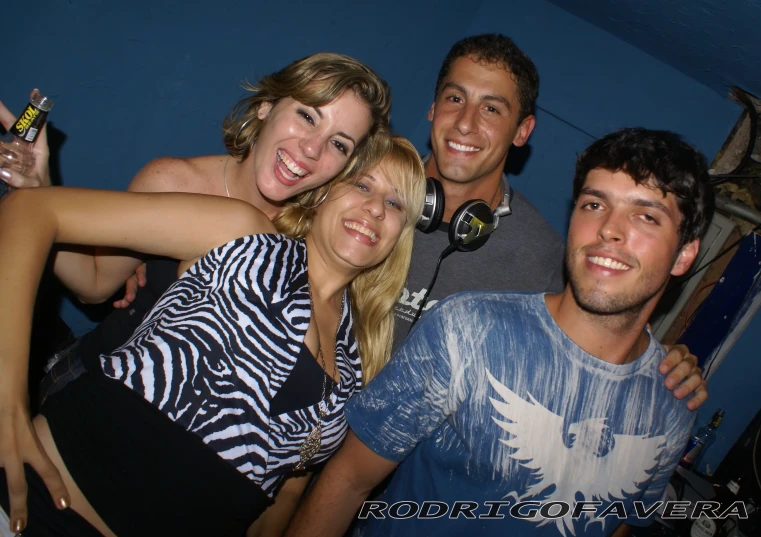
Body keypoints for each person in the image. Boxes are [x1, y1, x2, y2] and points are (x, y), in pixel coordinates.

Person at [285, 127, 715, 537]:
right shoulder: (468, 329)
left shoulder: (674, 404)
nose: (608, 230)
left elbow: (619, 523)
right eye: (594, 204)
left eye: (645, 216)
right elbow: (347, 481)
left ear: (685, 255)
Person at [0, 135, 426, 536]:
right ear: (325, 192)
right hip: (41, 507)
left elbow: (286, 488)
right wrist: (8, 403)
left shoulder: (359, 358)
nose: (375, 209)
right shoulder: (242, 234)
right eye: (362, 185)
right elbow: (31, 211)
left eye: (394, 203)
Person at [0, 52, 391, 401]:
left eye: (339, 144)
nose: (312, 149)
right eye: (307, 116)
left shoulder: (319, 237)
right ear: (266, 106)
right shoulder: (172, 181)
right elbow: (95, 284)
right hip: (96, 387)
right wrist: (39, 190)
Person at [395, 33, 706, 405]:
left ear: (522, 131)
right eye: (455, 98)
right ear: (433, 107)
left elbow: (609, 331)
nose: (465, 122)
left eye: (491, 108)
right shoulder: (362, 188)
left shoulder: (546, 258)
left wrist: (666, 362)